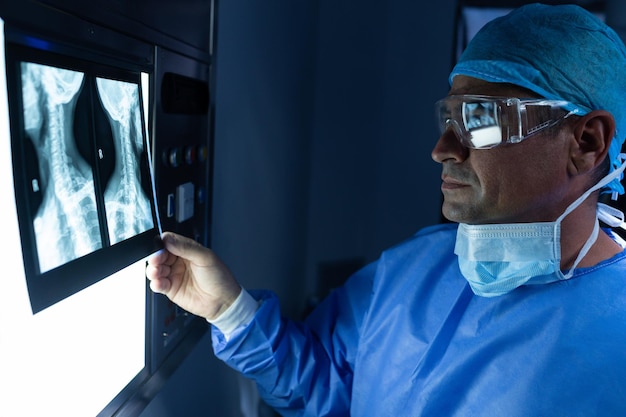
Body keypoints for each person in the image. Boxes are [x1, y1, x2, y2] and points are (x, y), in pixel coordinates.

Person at [146, 3, 626, 416]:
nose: (442, 148)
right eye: (449, 117)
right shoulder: (416, 267)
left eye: (480, 117)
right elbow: (326, 384)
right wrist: (228, 309)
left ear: (586, 141)